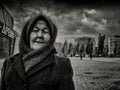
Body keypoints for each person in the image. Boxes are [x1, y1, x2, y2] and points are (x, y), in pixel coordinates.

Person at [0, 14, 75, 90]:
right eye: (35, 30)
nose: (40, 35)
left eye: (45, 31)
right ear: (27, 36)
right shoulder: (9, 63)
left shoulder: (62, 65)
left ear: (51, 38)